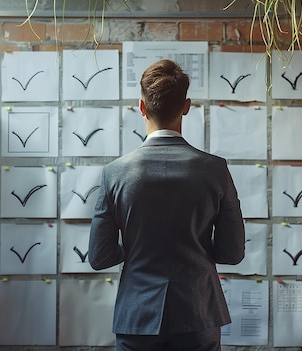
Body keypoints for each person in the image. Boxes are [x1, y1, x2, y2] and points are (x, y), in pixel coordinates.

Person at [89, 59, 245, 351]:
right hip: (198, 314)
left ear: (142, 107)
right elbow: (232, 253)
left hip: (137, 316)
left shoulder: (114, 173)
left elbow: (100, 257)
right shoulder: (215, 170)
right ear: (186, 106)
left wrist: (134, 248)